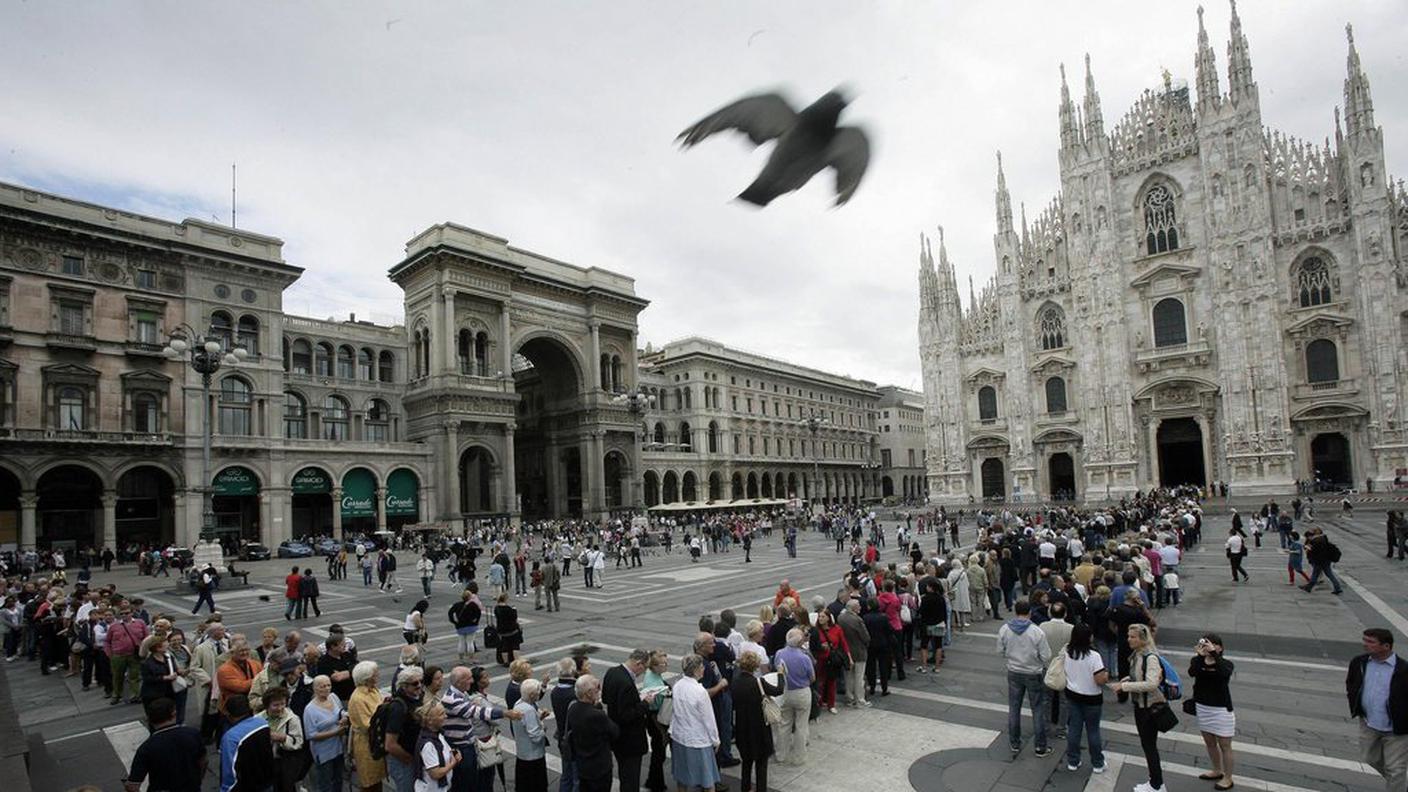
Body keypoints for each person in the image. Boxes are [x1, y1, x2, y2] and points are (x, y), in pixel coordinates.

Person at [1346, 627, 1408, 792]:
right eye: (1364, 640)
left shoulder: (1404, 669)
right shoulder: (1359, 662)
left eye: (1371, 642)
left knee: (1396, 769)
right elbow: (1351, 683)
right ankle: (1398, 782)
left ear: (1386, 646)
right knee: (1370, 758)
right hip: (1369, 722)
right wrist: (1356, 706)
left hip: (1396, 728)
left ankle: (1397, 783)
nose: (1365, 645)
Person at [1111, 624, 1168, 792]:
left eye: (1133, 637)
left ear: (1142, 639)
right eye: (1129, 636)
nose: (1129, 639)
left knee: (1149, 745)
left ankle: (1157, 785)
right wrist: (1127, 679)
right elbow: (1139, 674)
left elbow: (1151, 683)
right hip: (1140, 706)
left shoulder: (1150, 657)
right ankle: (1155, 782)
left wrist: (1125, 687)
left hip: (1149, 708)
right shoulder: (1137, 654)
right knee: (1147, 744)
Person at [997, 599, 1051, 757]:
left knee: (1014, 707)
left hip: (1014, 671)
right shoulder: (1037, 631)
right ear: (1030, 612)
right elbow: (1046, 655)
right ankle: (1040, 746)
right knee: (1038, 708)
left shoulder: (1005, 629)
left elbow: (1000, 650)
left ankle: (1014, 742)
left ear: (1015, 611)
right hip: (1033, 672)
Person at [124, 697, 206, 792]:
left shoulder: (146, 748)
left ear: (149, 719)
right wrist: (197, 780)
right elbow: (203, 761)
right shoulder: (193, 734)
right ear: (174, 714)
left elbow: (133, 786)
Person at [1189, 634, 1237, 790]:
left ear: (1220, 647)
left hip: (1221, 709)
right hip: (1203, 708)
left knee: (1225, 745)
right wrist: (1199, 655)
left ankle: (1228, 777)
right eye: (1206, 644)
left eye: (1213, 644)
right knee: (1209, 742)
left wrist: (1215, 655)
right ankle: (1216, 770)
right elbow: (1192, 672)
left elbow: (1224, 673)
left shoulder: (1225, 663)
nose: (1209, 647)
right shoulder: (1198, 661)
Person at [669, 654, 723, 792]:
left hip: (679, 736)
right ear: (696, 670)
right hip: (698, 739)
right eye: (701, 667)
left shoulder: (677, 684)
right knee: (707, 780)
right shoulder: (700, 691)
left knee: (682, 777)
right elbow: (708, 719)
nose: (703, 669)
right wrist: (715, 740)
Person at [731, 649, 782, 792]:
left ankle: (745, 788)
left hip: (742, 727)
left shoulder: (735, 682)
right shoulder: (758, 682)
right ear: (755, 666)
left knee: (746, 763)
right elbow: (779, 690)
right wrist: (781, 674)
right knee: (761, 764)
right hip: (759, 728)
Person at [1061, 623, 1107, 774]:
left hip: (1073, 694)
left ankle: (1073, 761)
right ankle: (1097, 762)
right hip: (1092, 698)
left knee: (1074, 729)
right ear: (1089, 637)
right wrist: (1106, 676)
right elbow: (1100, 680)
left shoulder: (1068, 651)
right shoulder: (1094, 656)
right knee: (1093, 731)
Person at [603, 649, 651, 792]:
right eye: (645, 667)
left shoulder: (612, 672)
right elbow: (626, 715)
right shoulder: (627, 683)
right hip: (630, 741)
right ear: (639, 663)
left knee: (624, 775)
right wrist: (645, 704)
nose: (643, 672)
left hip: (616, 738)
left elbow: (605, 698)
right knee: (631, 779)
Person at [567, 674, 619, 792]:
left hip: (583, 765)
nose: (599, 691)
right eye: (597, 688)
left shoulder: (573, 708)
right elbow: (615, 732)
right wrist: (601, 710)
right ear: (589, 693)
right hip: (599, 767)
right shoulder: (597, 714)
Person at [773, 627, 816, 765]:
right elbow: (812, 677)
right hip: (802, 692)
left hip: (785, 690)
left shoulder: (779, 653)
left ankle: (781, 755)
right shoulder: (804, 657)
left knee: (784, 724)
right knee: (801, 725)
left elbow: (776, 669)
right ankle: (799, 757)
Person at [220, 694, 275, 792]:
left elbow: (230, 771)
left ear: (229, 714)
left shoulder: (231, 737)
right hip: (267, 781)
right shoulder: (263, 723)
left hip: (247, 786)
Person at [303, 675, 348, 792]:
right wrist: (335, 732)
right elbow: (311, 735)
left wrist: (344, 718)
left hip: (338, 748)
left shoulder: (333, 697)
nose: (327, 688)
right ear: (315, 688)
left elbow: (341, 711)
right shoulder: (310, 709)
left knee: (338, 779)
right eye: (322, 686)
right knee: (325, 783)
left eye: (329, 685)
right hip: (323, 752)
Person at [384, 666, 425, 792]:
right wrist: (409, 759)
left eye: (420, 681)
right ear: (404, 686)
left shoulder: (418, 698)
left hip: (414, 757)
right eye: (414, 683)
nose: (419, 685)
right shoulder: (398, 707)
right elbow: (390, 745)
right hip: (403, 762)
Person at [347, 661, 387, 792]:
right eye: (375, 674)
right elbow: (367, 725)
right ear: (367, 677)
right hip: (366, 743)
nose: (378, 675)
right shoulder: (358, 698)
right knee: (368, 781)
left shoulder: (374, 690)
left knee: (378, 777)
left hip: (376, 739)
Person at [263, 687, 308, 792]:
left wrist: (284, 738)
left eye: (283, 704)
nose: (280, 708)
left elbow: (299, 742)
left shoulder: (292, 719)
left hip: (284, 763)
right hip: (265, 764)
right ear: (267, 705)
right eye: (275, 705)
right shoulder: (258, 719)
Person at [511, 678, 550, 792]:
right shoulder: (528, 710)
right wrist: (543, 729)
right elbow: (535, 736)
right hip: (533, 755)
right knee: (537, 785)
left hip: (522, 753)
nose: (539, 693)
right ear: (532, 694)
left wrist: (540, 717)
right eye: (538, 691)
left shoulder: (518, 704)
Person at [416, 699, 461, 792]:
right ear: (430, 721)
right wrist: (453, 763)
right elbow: (435, 774)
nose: (446, 716)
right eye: (441, 714)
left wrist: (454, 753)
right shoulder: (428, 745)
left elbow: (445, 752)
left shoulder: (438, 735)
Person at [811, 609, 849, 713]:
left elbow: (843, 643)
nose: (820, 619)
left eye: (823, 617)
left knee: (832, 682)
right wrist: (820, 647)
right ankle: (820, 702)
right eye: (819, 617)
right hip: (820, 659)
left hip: (832, 659)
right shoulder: (815, 630)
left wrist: (849, 657)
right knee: (820, 682)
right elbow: (812, 646)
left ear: (828, 618)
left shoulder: (836, 629)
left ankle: (831, 704)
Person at [837, 599, 869, 707]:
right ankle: (859, 700)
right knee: (859, 678)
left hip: (846, 651)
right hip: (859, 651)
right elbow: (865, 637)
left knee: (848, 677)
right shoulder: (857, 620)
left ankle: (849, 698)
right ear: (853, 608)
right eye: (858, 606)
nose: (860, 607)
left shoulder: (841, 618)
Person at [140, 635, 181, 711]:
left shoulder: (169, 658)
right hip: (154, 695)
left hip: (169, 692)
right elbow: (147, 678)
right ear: (158, 648)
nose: (168, 646)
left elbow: (175, 670)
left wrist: (177, 673)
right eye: (165, 645)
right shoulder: (147, 663)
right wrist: (165, 677)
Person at [450, 586, 483, 661]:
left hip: (460, 625)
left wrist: (454, 621)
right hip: (471, 625)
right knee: (470, 642)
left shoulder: (457, 605)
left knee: (461, 642)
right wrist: (476, 621)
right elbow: (478, 613)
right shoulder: (473, 605)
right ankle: (471, 658)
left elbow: (450, 613)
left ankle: (461, 659)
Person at [493, 592, 523, 666]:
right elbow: (514, 618)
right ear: (506, 599)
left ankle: (506, 662)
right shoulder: (509, 609)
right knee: (515, 646)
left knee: (504, 646)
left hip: (502, 630)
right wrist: (514, 610)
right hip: (512, 630)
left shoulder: (496, 608)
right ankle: (516, 662)